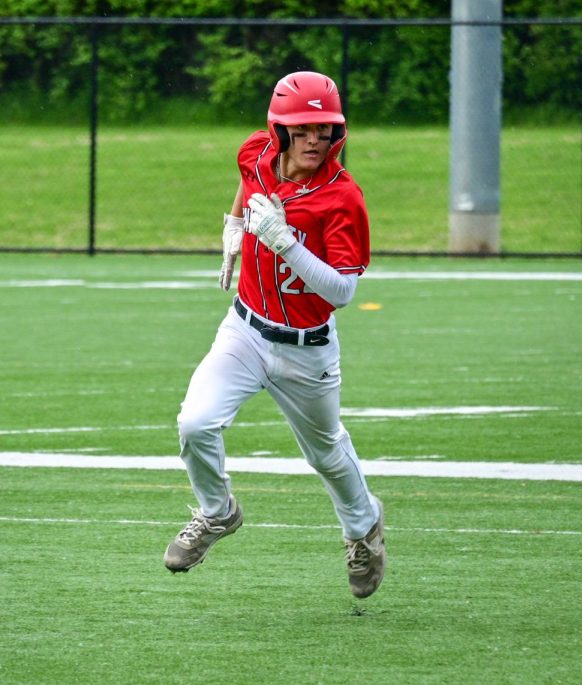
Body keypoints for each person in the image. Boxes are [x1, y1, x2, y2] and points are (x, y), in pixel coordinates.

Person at [164, 71, 385, 599]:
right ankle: (219, 513)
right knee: (195, 422)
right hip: (245, 328)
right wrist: (234, 224)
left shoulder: (342, 198)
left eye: (325, 129)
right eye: (302, 129)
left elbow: (342, 292)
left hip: (307, 346)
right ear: (279, 130)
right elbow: (249, 178)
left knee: (326, 453)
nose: (315, 140)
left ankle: (364, 530)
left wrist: (286, 244)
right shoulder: (259, 152)